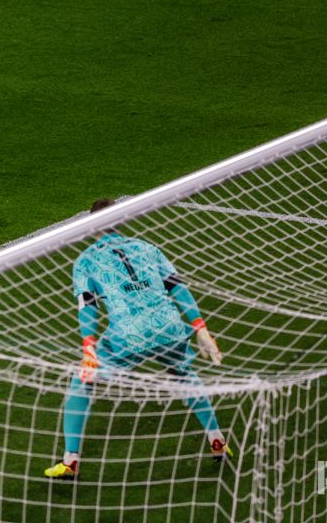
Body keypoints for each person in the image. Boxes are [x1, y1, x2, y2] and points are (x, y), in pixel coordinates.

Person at [45, 198, 233, 480]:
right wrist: (200, 328)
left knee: (81, 383)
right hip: (170, 327)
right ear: (121, 220)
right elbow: (177, 286)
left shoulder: (85, 260)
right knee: (183, 373)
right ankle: (217, 440)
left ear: (91, 225)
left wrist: (89, 347)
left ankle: (70, 460)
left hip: (128, 334)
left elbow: (88, 306)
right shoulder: (147, 247)